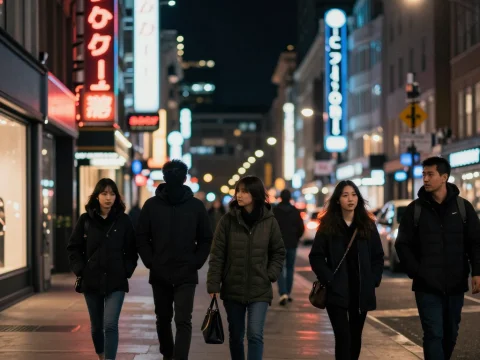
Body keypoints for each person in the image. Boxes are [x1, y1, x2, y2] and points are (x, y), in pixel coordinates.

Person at [395, 156, 480, 360]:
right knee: (433, 334)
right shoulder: (414, 210)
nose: (425, 179)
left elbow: (476, 242)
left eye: (430, 174)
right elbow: (402, 244)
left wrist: (477, 271)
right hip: (426, 286)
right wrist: (417, 272)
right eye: (423, 174)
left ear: (444, 177)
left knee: (450, 335)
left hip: (456, 284)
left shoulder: (463, 208)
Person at [136, 159, 213, 360]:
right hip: (159, 272)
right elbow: (142, 236)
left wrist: (196, 262)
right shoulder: (152, 205)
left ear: (185, 178)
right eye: (171, 174)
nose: (174, 178)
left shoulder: (196, 206)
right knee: (162, 319)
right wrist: (150, 261)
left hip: (186, 273)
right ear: (164, 177)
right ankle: (167, 354)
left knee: (183, 320)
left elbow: (206, 238)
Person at [207, 175, 286, 360]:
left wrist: (270, 274)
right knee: (236, 336)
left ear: (255, 194)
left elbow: (278, 252)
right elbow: (217, 254)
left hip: (260, 288)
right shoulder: (227, 221)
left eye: (244, 191)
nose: (239, 195)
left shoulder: (269, 221)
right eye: (238, 191)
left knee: (255, 334)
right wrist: (213, 283)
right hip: (233, 287)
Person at [309, 180, 384, 360]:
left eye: (354, 194)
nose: (350, 199)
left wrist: (372, 280)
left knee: (355, 336)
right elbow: (316, 256)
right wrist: (329, 280)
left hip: (360, 290)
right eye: (345, 195)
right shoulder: (329, 226)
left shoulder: (367, 224)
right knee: (343, 337)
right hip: (337, 291)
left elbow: (378, 256)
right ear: (337, 200)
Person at [67, 178, 138, 360]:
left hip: (116, 280)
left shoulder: (123, 220)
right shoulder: (85, 220)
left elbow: (132, 249)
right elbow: (74, 247)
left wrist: (126, 270)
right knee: (97, 326)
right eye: (104, 193)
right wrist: (81, 270)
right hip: (92, 280)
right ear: (97, 196)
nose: (108, 198)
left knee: (110, 324)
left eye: (112, 194)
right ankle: (101, 355)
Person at [273, 189, 304, 305]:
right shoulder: (295, 211)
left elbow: (271, 227)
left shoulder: (275, 211)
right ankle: (288, 292)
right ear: (290, 197)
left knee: (280, 269)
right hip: (292, 244)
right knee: (290, 268)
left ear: (280, 197)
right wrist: (296, 238)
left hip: (278, 244)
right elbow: (301, 228)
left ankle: (283, 293)